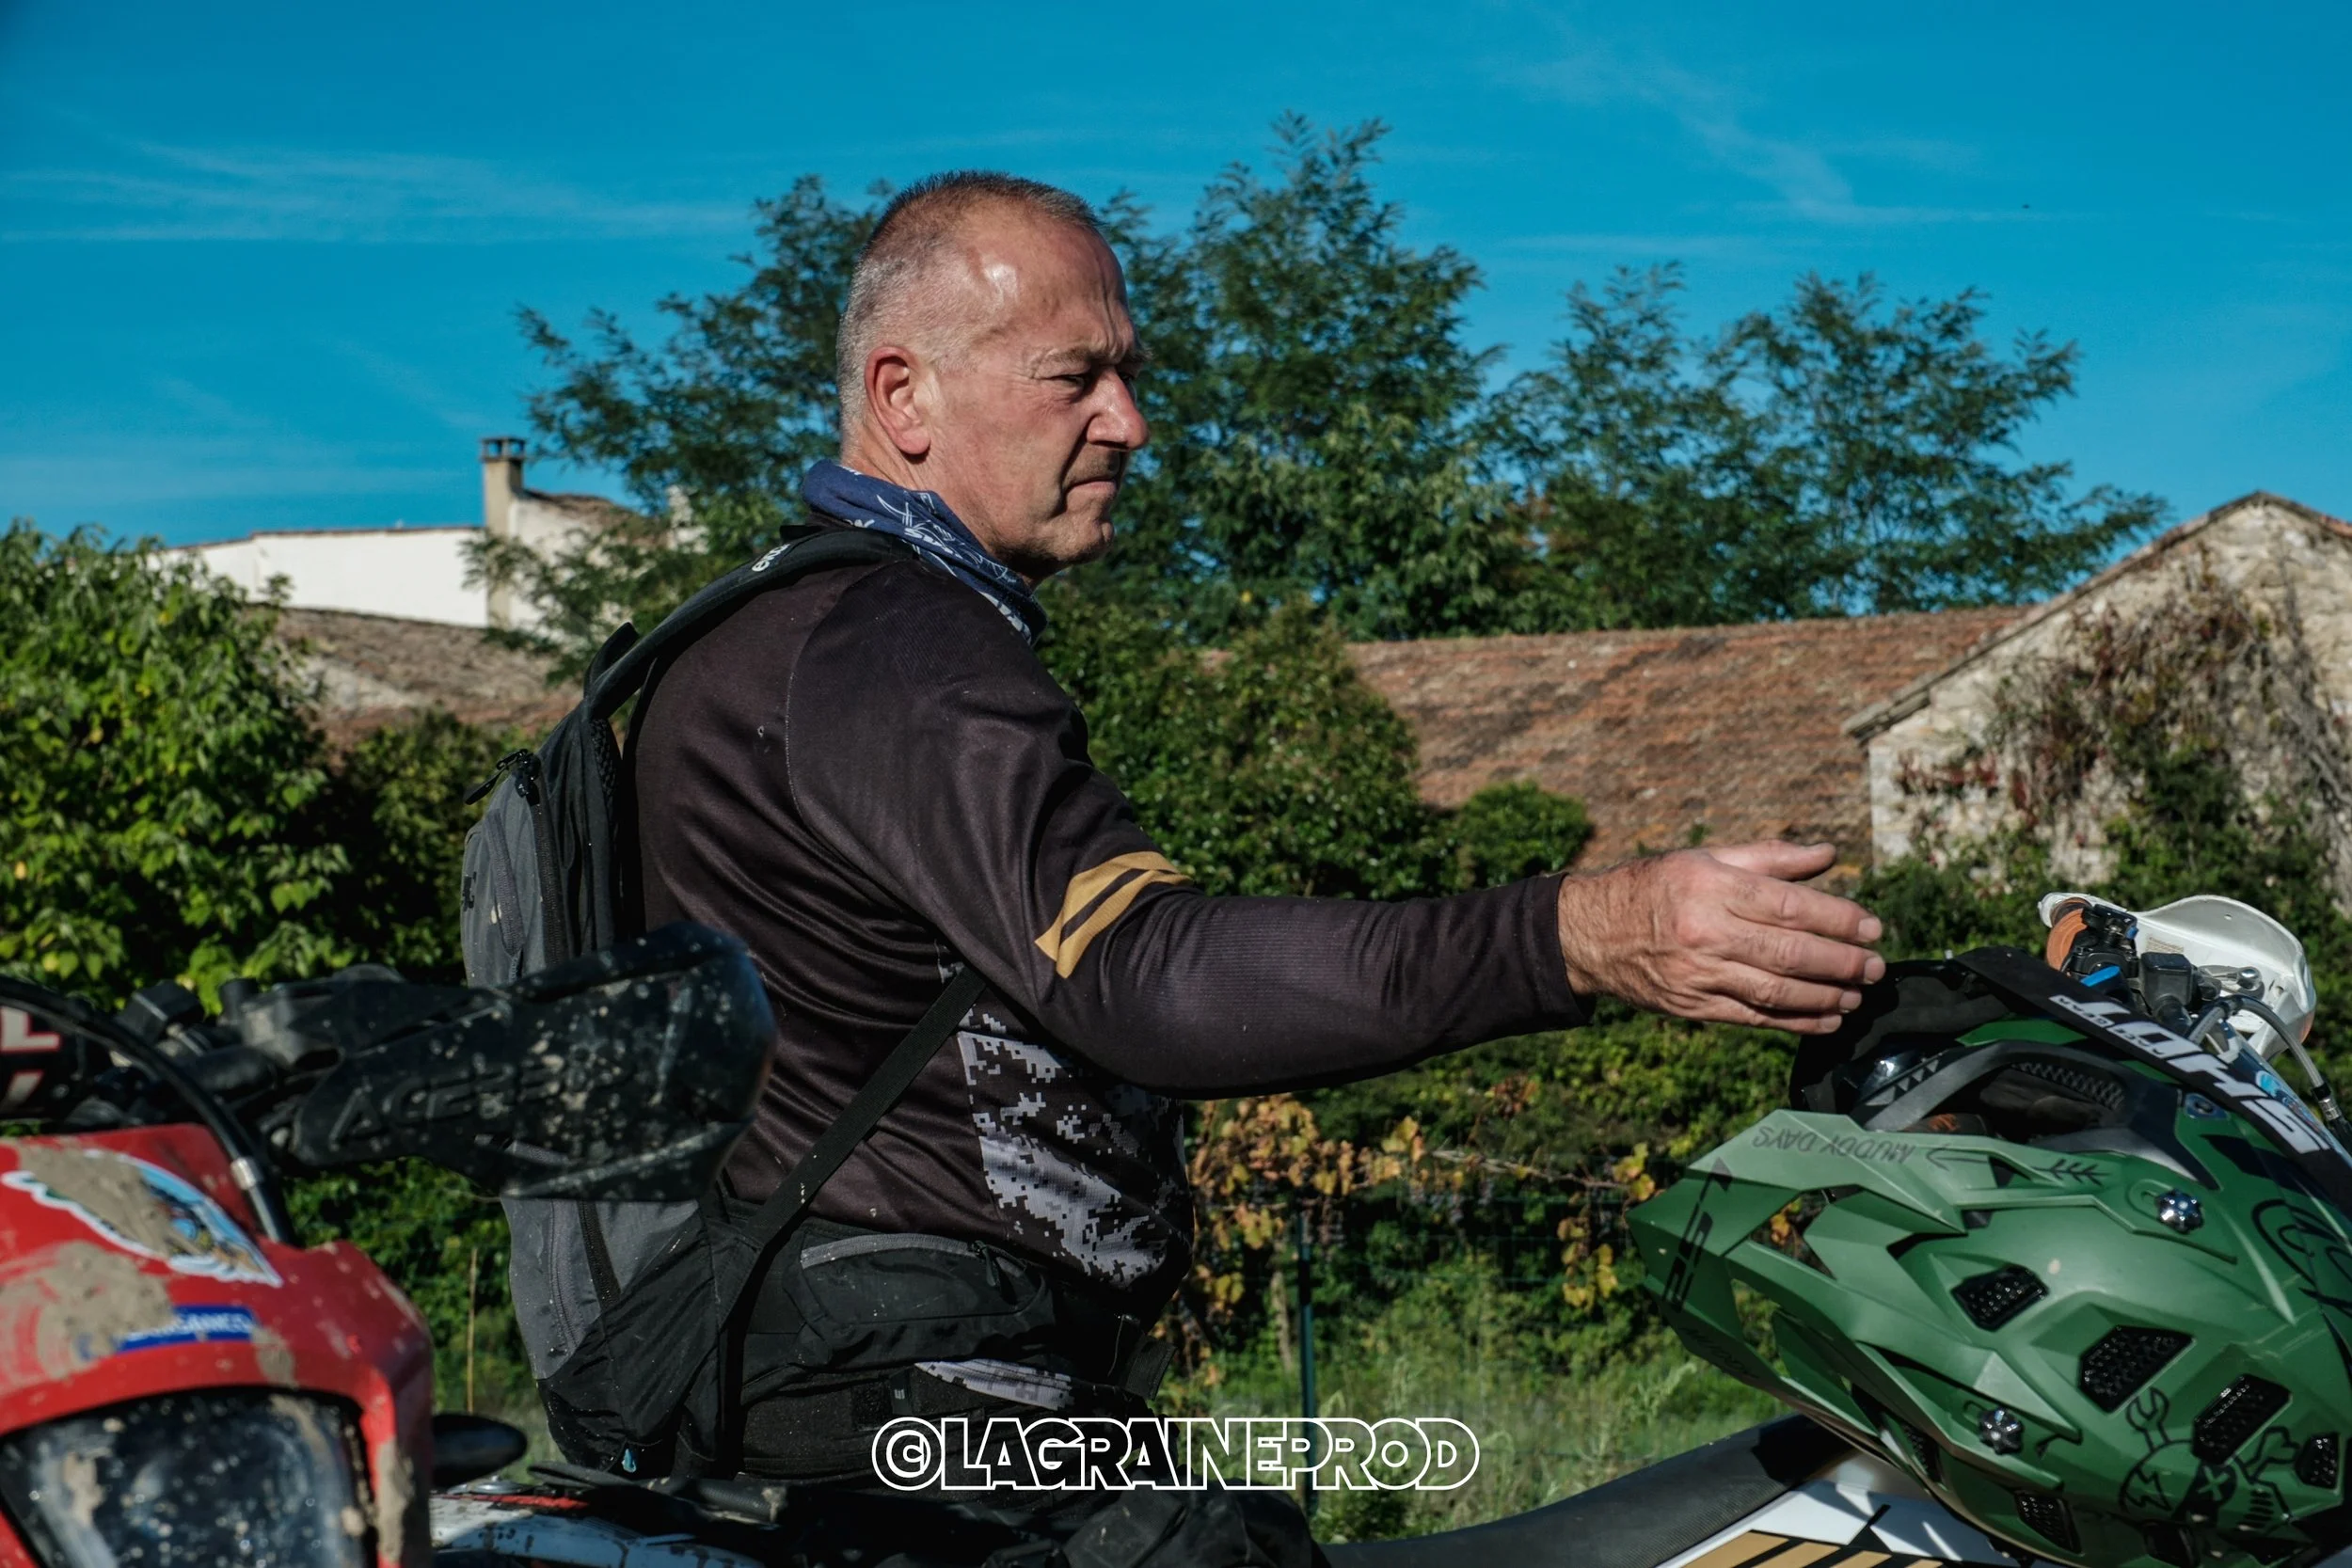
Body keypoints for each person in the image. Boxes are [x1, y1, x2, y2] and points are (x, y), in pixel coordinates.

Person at [626, 170, 1883, 1563]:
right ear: (904, 396)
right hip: (940, 1444)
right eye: (1076, 377)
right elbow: (1145, 975)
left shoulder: (784, 635)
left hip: (871, 1418)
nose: (1129, 421)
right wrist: (1583, 933)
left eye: (1133, 372)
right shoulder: (888, 640)